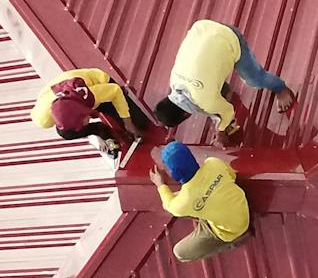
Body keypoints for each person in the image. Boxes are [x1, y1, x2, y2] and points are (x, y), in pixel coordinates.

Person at [153, 20, 295, 142]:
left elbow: (228, 112)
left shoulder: (206, 101)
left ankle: (281, 89)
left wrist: (221, 131)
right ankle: (224, 90)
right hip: (204, 28)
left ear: (185, 114)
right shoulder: (174, 81)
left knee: (255, 79)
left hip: (229, 38)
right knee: (206, 81)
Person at [149, 142, 252, 263]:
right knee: (189, 202)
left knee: (180, 252)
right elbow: (232, 176)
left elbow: (169, 206)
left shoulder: (185, 200)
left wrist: (160, 185)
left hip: (230, 230)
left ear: (173, 173)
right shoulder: (213, 162)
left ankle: (235, 240)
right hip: (241, 209)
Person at [31, 69, 143, 152]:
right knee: (66, 133)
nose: (86, 123)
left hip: (99, 83)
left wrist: (127, 121)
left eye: (82, 122)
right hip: (74, 101)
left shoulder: (88, 95)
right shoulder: (44, 119)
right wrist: (93, 138)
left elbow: (115, 90)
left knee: (140, 123)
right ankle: (97, 131)